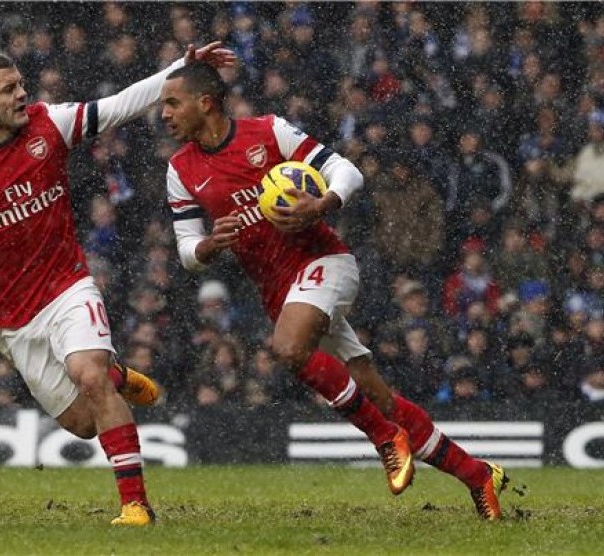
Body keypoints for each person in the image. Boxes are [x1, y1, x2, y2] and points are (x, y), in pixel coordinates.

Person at [0, 42, 236, 526]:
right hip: (14, 317)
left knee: (88, 374)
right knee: (83, 421)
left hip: (68, 287)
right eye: (8, 90)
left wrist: (180, 68)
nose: (22, 94)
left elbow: (121, 104)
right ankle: (119, 377)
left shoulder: (50, 124)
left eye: (20, 84)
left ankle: (135, 506)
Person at [160, 62, 508, 519]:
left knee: (287, 348)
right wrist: (208, 245)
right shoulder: (180, 169)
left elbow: (346, 171)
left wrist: (322, 204)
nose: (163, 114)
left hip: (325, 262)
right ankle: (478, 475)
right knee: (380, 397)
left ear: (205, 102)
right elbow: (186, 249)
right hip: (280, 292)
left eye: (171, 103)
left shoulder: (269, 132)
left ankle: (384, 438)